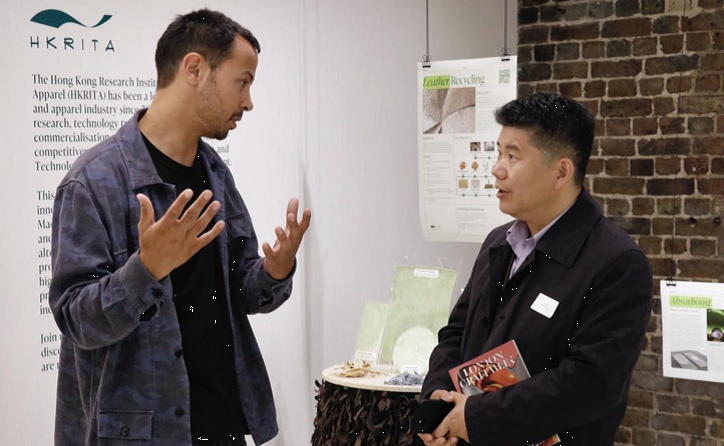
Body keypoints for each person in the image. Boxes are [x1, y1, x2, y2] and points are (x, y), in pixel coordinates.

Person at [49, 9, 310, 446]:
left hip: (221, 428)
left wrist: (275, 270)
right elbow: (77, 320)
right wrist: (146, 269)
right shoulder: (93, 182)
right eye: (242, 82)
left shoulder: (214, 173)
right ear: (194, 69)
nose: (248, 102)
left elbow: (242, 290)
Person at [419, 92, 652, 446]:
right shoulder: (499, 242)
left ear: (561, 172)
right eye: (498, 152)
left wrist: (478, 416)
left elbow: (590, 383)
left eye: (513, 156)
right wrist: (438, 396)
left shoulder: (617, 262)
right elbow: (456, 333)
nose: (497, 168)